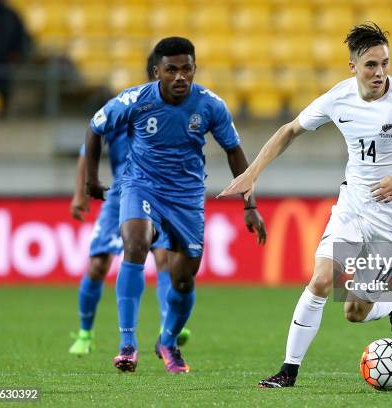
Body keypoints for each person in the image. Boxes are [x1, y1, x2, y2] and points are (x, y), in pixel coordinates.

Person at [219, 23, 392, 388]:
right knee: (321, 280)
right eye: (370, 65)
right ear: (353, 66)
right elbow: (289, 130)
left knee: (354, 311)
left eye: (385, 63)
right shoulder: (338, 98)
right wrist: (253, 173)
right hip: (352, 208)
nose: (379, 73)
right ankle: (288, 370)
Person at [85, 37, 266, 374]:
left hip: (186, 197)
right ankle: (127, 344)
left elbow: (234, 152)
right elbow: (95, 128)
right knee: (134, 243)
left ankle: (167, 341)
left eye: (187, 69)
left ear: (194, 69)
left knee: (184, 279)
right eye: (172, 70)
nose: (180, 76)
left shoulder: (210, 105)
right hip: (141, 185)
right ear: (158, 72)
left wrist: (249, 204)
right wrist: (90, 181)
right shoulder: (135, 100)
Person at [68, 53, 190, 356]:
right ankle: (85, 333)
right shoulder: (119, 113)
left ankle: (167, 329)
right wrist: (81, 193)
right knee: (98, 266)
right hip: (120, 196)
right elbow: (88, 150)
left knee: (164, 258)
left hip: (157, 195)